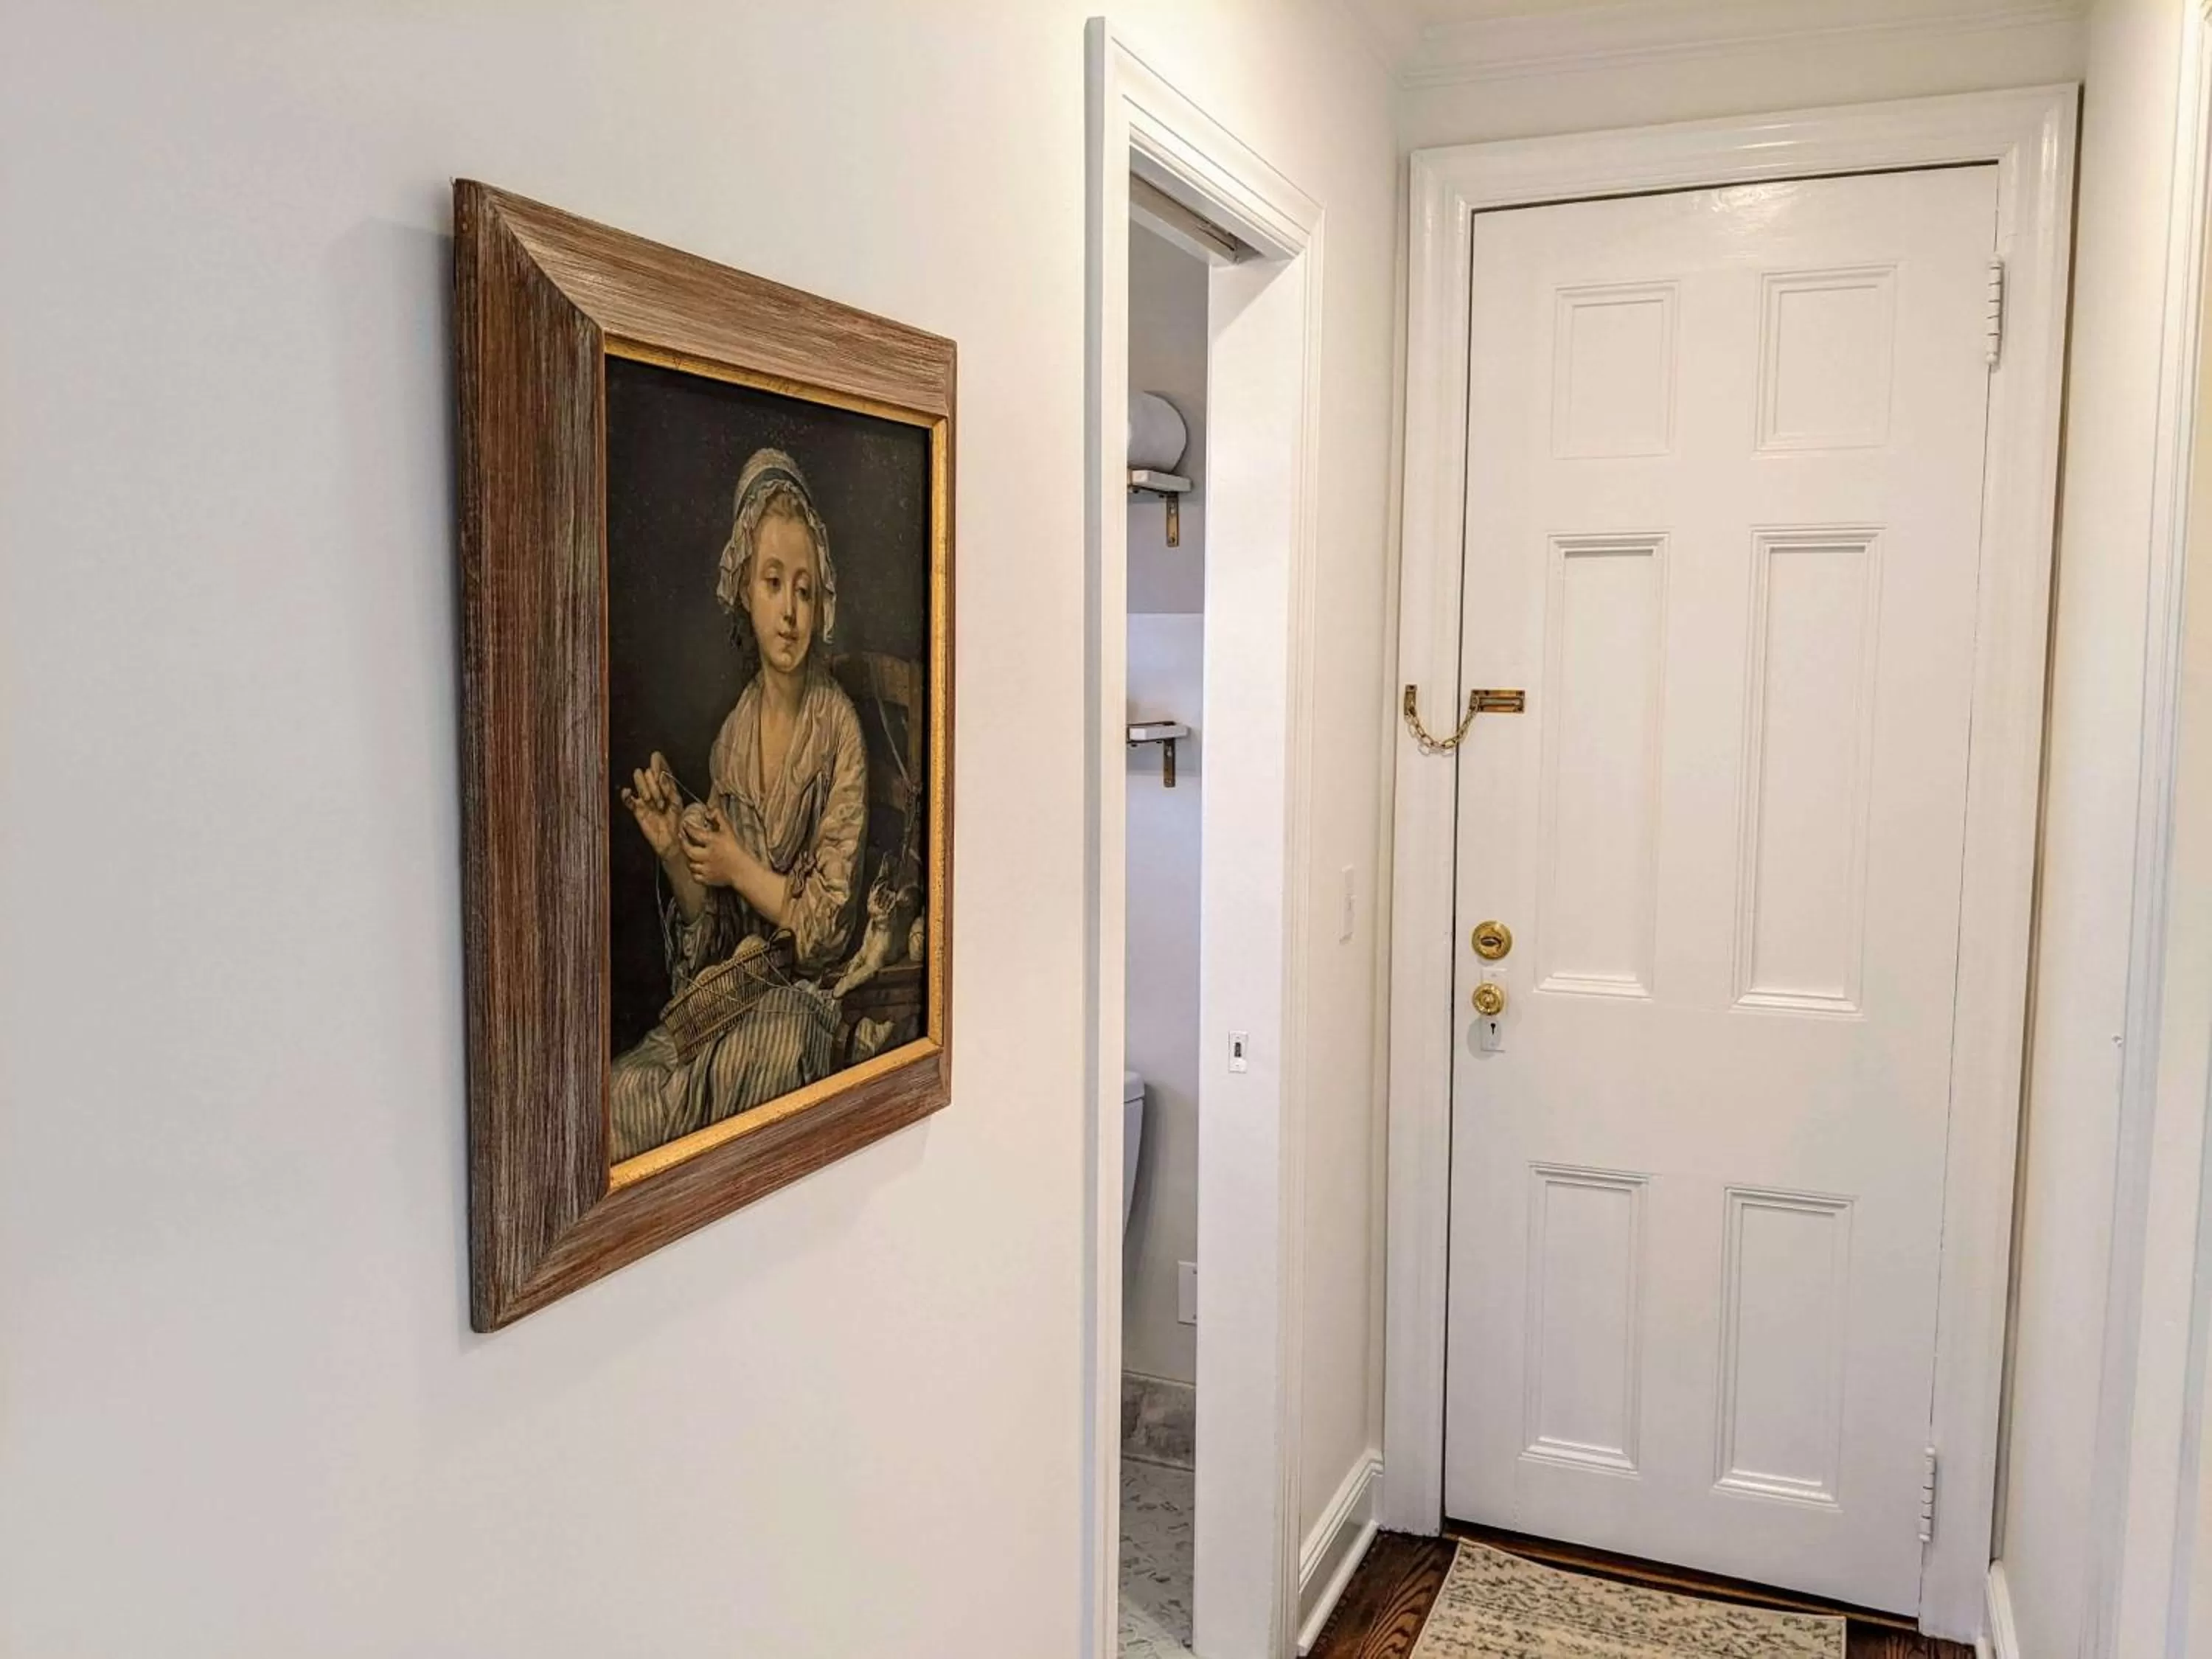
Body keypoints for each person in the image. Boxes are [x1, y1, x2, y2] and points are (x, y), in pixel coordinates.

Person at [609, 448, 868, 1161]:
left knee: (764, 1059)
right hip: (734, 994)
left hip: (800, 1003)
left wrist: (738, 864)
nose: (790, 612)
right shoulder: (731, 739)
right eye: (774, 583)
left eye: (806, 591)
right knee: (624, 1093)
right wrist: (678, 855)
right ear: (744, 593)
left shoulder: (838, 728)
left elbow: (826, 932)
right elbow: (714, 936)